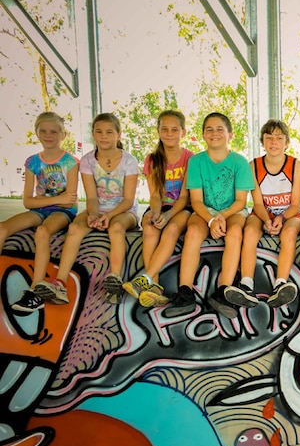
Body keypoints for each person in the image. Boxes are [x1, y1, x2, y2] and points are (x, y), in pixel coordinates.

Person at [33, 113, 139, 305]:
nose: (104, 136)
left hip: (123, 211)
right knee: (74, 229)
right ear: (93, 135)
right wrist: (92, 215)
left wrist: (108, 215)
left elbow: (129, 200)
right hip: (97, 209)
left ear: (119, 135)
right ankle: (59, 283)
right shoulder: (87, 161)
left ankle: (115, 280)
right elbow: (91, 196)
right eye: (99, 132)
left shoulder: (129, 161)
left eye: (109, 132)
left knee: (116, 229)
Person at [165, 112, 254, 318]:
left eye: (220, 129)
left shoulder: (239, 162)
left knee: (234, 233)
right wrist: (212, 219)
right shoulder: (196, 162)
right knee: (194, 232)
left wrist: (222, 217)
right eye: (209, 130)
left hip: (233, 210)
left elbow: (241, 201)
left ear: (230, 134)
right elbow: (196, 201)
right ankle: (185, 292)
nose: (214, 133)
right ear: (203, 135)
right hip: (205, 210)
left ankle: (224, 291)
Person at [224, 119, 300, 309]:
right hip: (263, 213)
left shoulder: (296, 166)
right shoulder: (254, 166)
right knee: (250, 232)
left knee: (289, 233)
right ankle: (246, 284)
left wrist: (281, 218)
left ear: (287, 143)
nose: (274, 142)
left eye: (279, 138)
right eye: (269, 137)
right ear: (262, 141)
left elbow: (295, 204)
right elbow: (258, 203)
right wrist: (268, 219)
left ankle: (281, 284)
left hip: (289, 214)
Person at [7, 112, 79, 313]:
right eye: (44, 131)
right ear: (37, 133)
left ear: (63, 134)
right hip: (38, 209)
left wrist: (47, 201)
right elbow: (27, 201)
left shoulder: (70, 162)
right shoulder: (32, 162)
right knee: (3, 228)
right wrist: (56, 198)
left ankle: (36, 290)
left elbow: (69, 201)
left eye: (54, 131)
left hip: (62, 213)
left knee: (42, 232)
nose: (49, 135)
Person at [123, 110, 193, 308]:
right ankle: (155, 287)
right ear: (158, 131)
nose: (169, 134)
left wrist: (169, 214)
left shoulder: (190, 158)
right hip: (161, 206)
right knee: (149, 227)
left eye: (174, 130)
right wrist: (155, 212)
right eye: (164, 129)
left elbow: (184, 197)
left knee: (170, 230)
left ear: (183, 132)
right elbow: (155, 195)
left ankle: (145, 278)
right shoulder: (152, 159)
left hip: (182, 208)